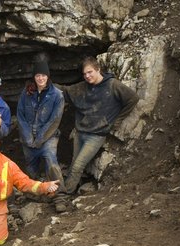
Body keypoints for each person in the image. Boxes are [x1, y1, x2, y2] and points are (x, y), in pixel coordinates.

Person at [58, 56, 139, 194]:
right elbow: (65, 91)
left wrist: (117, 121)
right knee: (74, 163)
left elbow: (133, 98)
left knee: (78, 165)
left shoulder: (113, 85)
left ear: (98, 69)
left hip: (96, 136)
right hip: (80, 132)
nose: (87, 76)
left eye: (90, 72)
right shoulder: (83, 87)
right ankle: (71, 188)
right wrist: (45, 83)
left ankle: (64, 194)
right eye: (84, 74)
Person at [16, 56, 68, 212]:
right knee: (31, 167)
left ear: (48, 76)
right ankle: (37, 193)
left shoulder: (57, 95)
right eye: (38, 75)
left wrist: (39, 139)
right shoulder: (26, 93)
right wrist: (27, 137)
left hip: (48, 137)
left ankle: (60, 196)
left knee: (51, 163)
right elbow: (20, 116)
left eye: (43, 75)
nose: (40, 78)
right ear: (34, 77)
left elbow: (54, 120)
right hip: (28, 138)